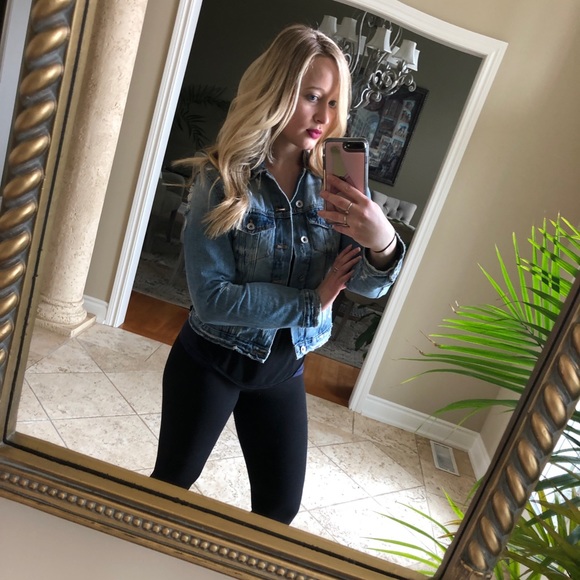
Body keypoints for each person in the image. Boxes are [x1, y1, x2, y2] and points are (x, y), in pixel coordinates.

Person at [150, 24, 405, 525]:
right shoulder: (221, 178)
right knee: (170, 484)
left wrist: (383, 242)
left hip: (284, 367)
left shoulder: (336, 187)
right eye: (312, 97)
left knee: (279, 509)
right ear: (277, 91)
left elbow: (364, 285)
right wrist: (312, 301)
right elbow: (212, 299)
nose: (323, 116)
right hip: (211, 360)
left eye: (333, 103)